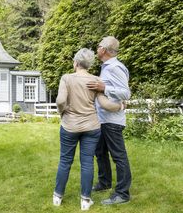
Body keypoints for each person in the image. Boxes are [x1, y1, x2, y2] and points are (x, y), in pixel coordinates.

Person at [53, 48, 123, 211]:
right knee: (87, 163)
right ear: (89, 65)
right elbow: (105, 104)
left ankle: (57, 197)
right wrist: (120, 105)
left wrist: (62, 112)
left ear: (76, 63)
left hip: (70, 126)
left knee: (65, 161)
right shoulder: (95, 80)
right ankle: (85, 201)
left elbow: (61, 100)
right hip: (92, 127)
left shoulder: (66, 78)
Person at [86, 36, 132, 205]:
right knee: (100, 153)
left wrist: (104, 87)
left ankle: (123, 193)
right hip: (102, 120)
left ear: (104, 50)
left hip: (112, 121)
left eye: (98, 46)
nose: (97, 49)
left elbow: (126, 93)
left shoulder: (115, 67)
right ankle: (104, 183)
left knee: (119, 156)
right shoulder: (106, 68)